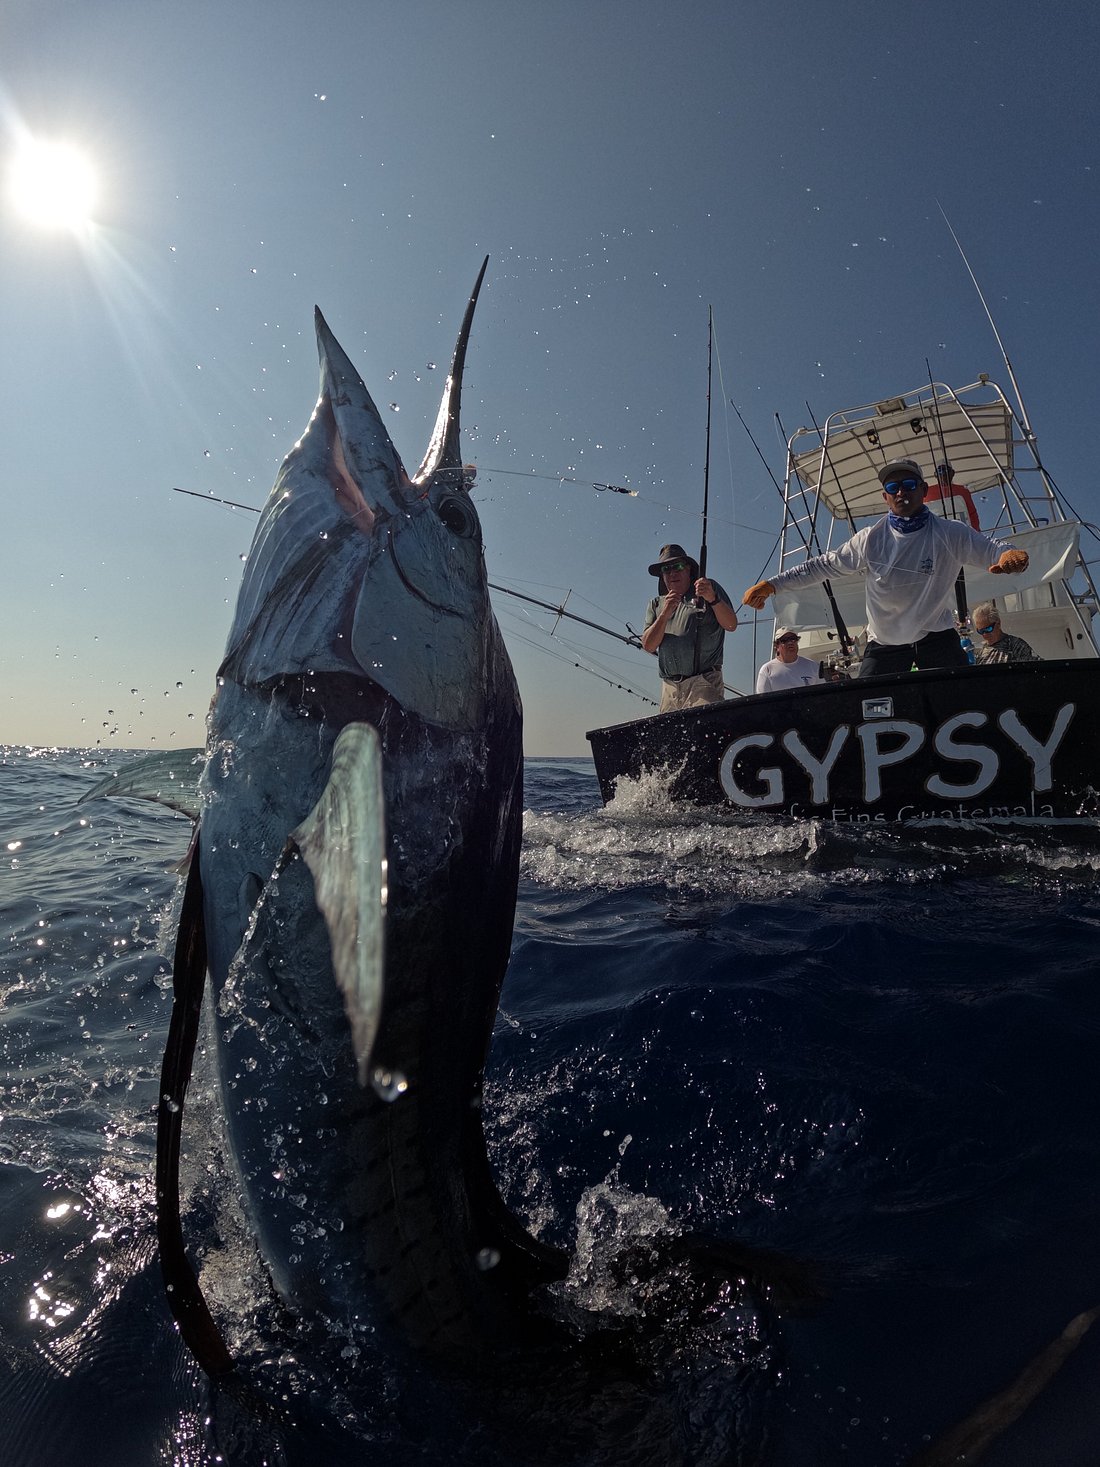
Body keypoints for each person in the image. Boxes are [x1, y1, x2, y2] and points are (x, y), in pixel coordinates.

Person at [741, 458, 1030, 677]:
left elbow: (993, 548)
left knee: (961, 698)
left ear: (923, 489)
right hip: (885, 643)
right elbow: (821, 566)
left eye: (909, 485)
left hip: (937, 637)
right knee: (868, 708)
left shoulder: (950, 532)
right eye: (893, 488)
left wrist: (1008, 556)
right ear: (885, 497)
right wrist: (773, 585)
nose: (901, 492)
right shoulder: (870, 539)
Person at [642, 543, 738, 712]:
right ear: (662, 576)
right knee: (672, 738)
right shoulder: (656, 604)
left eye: (678, 566)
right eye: (666, 569)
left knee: (705, 732)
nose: (672, 573)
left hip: (704, 681)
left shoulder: (709, 588)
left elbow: (731, 625)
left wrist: (712, 599)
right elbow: (648, 645)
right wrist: (664, 615)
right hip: (669, 688)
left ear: (689, 569)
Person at [755, 628, 824, 694]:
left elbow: (822, 694)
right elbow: (764, 702)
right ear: (777, 646)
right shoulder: (767, 670)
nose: (790, 642)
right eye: (785, 640)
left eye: (793, 639)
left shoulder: (813, 666)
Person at [970, 601, 1037, 664]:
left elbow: (1036, 667)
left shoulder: (1015, 646)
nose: (984, 635)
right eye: (981, 631)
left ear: (998, 624)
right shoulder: (979, 651)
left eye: (988, 629)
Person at [926, 462, 980, 529]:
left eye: (946, 470)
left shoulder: (963, 491)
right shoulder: (927, 492)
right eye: (939, 471)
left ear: (952, 473)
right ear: (935, 475)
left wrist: (976, 532)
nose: (943, 474)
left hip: (961, 533)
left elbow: (972, 514)